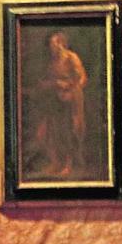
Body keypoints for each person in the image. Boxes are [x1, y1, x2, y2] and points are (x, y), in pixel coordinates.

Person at [30, 31, 88, 177]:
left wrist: (69, 88)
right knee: (53, 132)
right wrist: (48, 85)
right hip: (55, 100)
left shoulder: (71, 57)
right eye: (50, 44)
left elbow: (82, 78)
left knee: (68, 131)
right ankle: (56, 162)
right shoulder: (52, 62)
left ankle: (68, 164)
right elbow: (50, 80)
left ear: (61, 43)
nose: (51, 47)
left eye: (54, 44)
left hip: (70, 99)